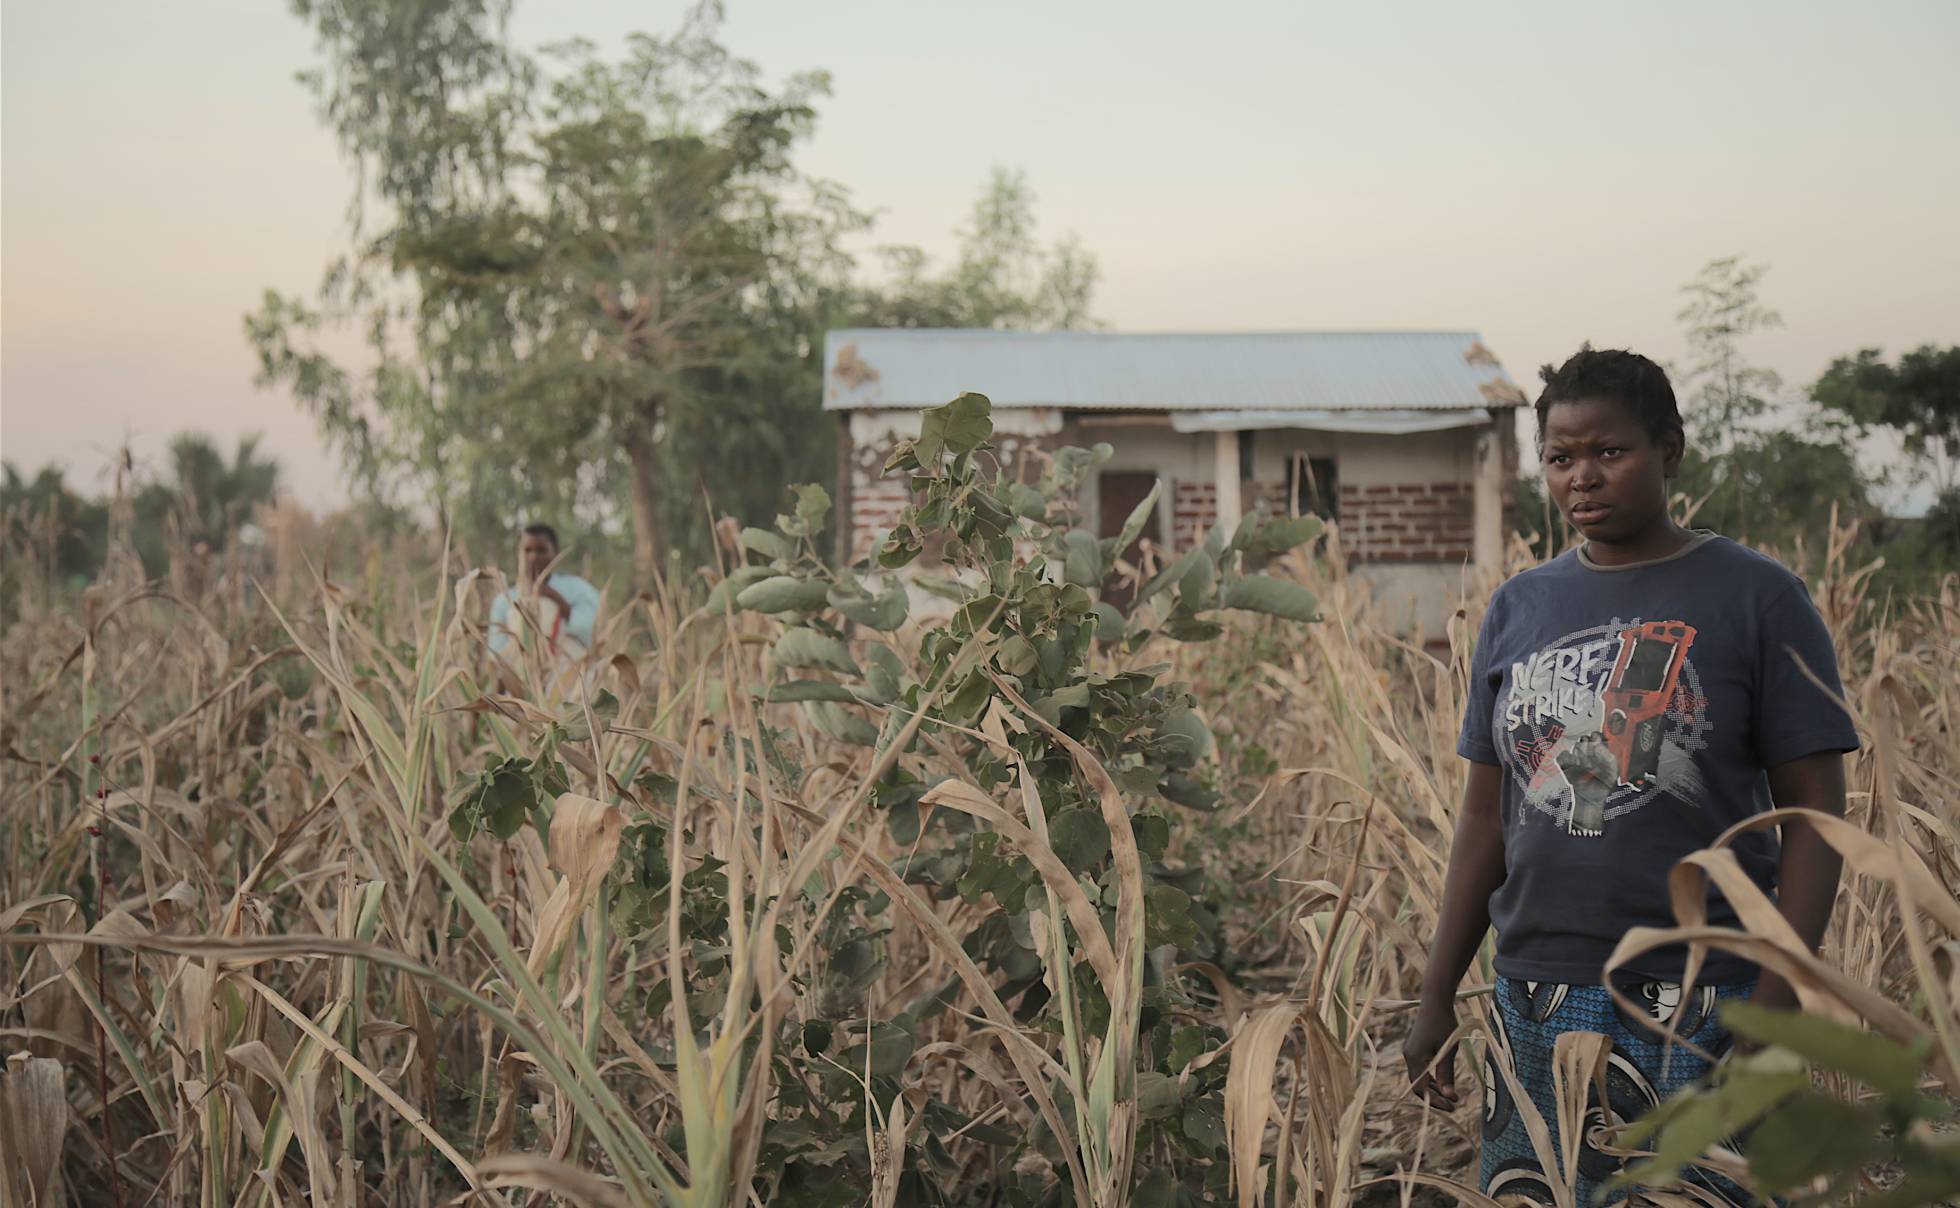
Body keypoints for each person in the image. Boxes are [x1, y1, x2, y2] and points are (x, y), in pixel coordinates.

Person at [1403, 347, 1857, 1204]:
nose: (1583, 477)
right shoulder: (1519, 608)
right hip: (1535, 989)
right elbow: (1486, 822)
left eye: (1609, 451)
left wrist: (1777, 1002)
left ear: (1670, 451)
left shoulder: (1758, 599)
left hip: (1703, 993)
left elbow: (1816, 817)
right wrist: (1436, 995)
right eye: (1560, 457)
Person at [488, 523, 600, 666]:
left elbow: (592, 632)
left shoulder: (579, 589)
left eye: (541, 550)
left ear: (555, 552)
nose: (534, 557)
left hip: (570, 679)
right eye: (527, 551)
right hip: (521, 682)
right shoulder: (504, 601)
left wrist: (556, 599)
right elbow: (496, 655)